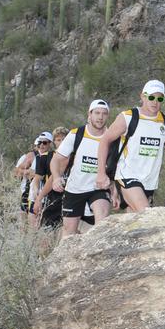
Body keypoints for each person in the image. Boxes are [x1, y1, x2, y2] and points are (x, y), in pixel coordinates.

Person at [95, 80, 165, 212]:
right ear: (143, 96)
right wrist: (101, 173)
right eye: (151, 97)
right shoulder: (128, 117)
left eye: (160, 98)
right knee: (146, 213)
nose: (155, 102)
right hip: (127, 176)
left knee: (136, 222)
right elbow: (104, 140)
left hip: (149, 182)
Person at [50, 99, 116, 238]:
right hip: (75, 188)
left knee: (102, 222)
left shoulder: (112, 137)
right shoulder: (76, 134)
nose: (100, 117)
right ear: (89, 114)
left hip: (98, 188)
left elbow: (118, 166)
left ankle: (97, 255)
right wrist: (56, 178)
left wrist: (115, 191)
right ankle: (64, 259)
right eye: (97, 113)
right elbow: (56, 159)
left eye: (104, 114)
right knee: (69, 233)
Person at [33, 127, 69, 229]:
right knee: (47, 229)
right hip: (52, 197)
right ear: (54, 142)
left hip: (70, 196)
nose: (61, 142)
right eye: (58, 140)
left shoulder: (74, 156)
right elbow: (37, 178)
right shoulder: (45, 157)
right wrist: (37, 193)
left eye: (64, 139)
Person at [27, 131, 53, 229]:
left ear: (50, 144)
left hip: (48, 196)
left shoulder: (54, 157)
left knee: (45, 225)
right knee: (33, 223)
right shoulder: (36, 157)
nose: (41, 145)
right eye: (39, 143)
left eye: (45, 143)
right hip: (35, 195)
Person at [14, 142, 38, 219]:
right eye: (37, 145)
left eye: (44, 143)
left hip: (38, 190)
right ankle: (23, 230)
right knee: (25, 212)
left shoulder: (50, 155)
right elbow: (16, 173)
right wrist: (28, 172)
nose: (39, 146)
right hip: (25, 189)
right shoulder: (26, 156)